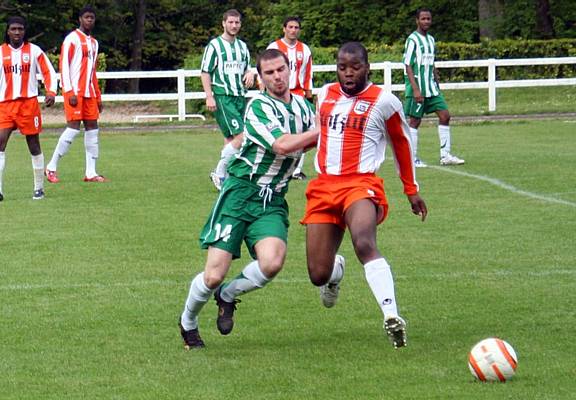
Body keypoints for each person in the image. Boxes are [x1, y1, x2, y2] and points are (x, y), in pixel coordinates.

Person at [179, 49, 318, 349]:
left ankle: (228, 295)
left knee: (272, 263)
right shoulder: (258, 107)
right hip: (241, 194)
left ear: (289, 68)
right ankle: (188, 320)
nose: (277, 77)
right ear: (261, 78)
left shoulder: (306, 109)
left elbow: (306, 145)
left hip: (272, 198)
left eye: (281, 69)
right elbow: (281, 145)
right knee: (214, 274)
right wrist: (321, 132)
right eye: (269, 73)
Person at [301, 42, 428, 349]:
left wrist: (411, 191)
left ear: (367, 67)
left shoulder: (385, 101)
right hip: (324, 186)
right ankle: (335, 272)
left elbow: (402, 145)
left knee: (365, 242)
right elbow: (316, 137)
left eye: (355, 67)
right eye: (342, 67)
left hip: (361, 184)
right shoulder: (324, 95)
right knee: (318, 273)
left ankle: (392, 316)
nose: (348, 73)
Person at [45, 5, 105, 183]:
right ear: (80, 19)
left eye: (92, 17)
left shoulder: (94, 43)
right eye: (86, 17)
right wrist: (68, 91)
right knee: (72, 129)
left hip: (90, 94)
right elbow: (64, 66)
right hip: (75, 93)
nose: (89, 20)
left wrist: (98, 96)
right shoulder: (71, 39)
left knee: (93, 129)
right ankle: (51, 167)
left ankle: (91, 172)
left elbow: (93, 72)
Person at [0, 16, 57, 201]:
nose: (17, 32)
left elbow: (48, 71)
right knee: (0, 143)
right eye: (13, 29)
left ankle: (38, 189)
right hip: (6, 104)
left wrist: (51, 91)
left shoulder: (34, 51)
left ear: (25, 31)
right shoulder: (1, 52)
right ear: (7, 31)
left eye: (20, 29)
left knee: (33, 145)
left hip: (28, 104)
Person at [201, 9, 257, 191]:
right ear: (223, 23)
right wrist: (209, 96)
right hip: (223, 96)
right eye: (231, 22)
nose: (234, 26)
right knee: (242, 137)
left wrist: (250, 73)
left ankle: (228, 177)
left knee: (231, 138)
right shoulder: (215, 46)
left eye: (237, 22)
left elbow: (247, 68)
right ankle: (219, 173)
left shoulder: (242, 46)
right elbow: (205, 71)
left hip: (240, 96)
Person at [403, 7, 465, 168]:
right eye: (423, 19)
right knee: (415, 121)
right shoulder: (412, 40)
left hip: (431, 88)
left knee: (445, 115)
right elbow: (408, 65)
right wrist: (415, 89)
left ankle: (445, 156)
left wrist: (436, 79)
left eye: (428, 19)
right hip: (418, 88)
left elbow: (431, 62)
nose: (426, 21)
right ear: (417, 21)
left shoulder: (431, 40)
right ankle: (412, 158)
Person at [267, 16, 314, 180]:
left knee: (302, 130)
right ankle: (279, 163)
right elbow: (266, 69)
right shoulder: (275, 47)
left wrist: (309, 94)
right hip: (280, 92)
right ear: (284, 29)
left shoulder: (305, 49)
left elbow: (308, 73)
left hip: (298, 93)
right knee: (283, 127)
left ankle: (296, 169)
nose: (293, 30)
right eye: (290, 27)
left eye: (296, 27)